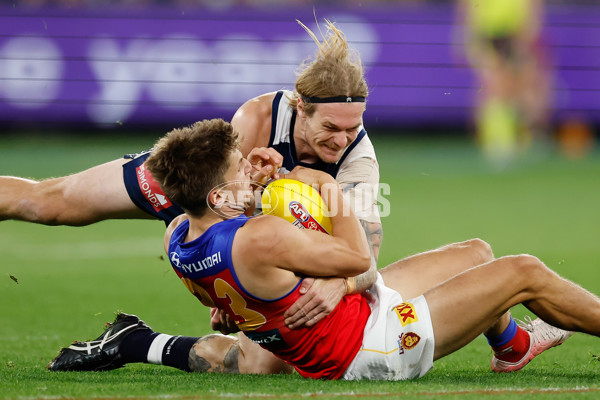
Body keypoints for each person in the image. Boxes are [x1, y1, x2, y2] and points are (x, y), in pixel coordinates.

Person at [48, 119, 598, 380]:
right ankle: (519, 336)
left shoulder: (178, 236)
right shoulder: (259, 237)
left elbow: (226, 297)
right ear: (217, 194)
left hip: (342, 323)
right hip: (372, 347)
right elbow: (359, 261)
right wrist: (326, 187)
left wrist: (260, 190)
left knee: (476, 252)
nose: (252, 167)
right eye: (240, 168)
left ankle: (513, 346)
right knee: (523, 270)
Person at [458, 0, 551, 164]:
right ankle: (499, 143)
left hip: (515, 36)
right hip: (487, 36)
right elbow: (467, 12)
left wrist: (524, 39)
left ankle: (523, 139)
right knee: (495, 86)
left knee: (522, 89)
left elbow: (532, 12)